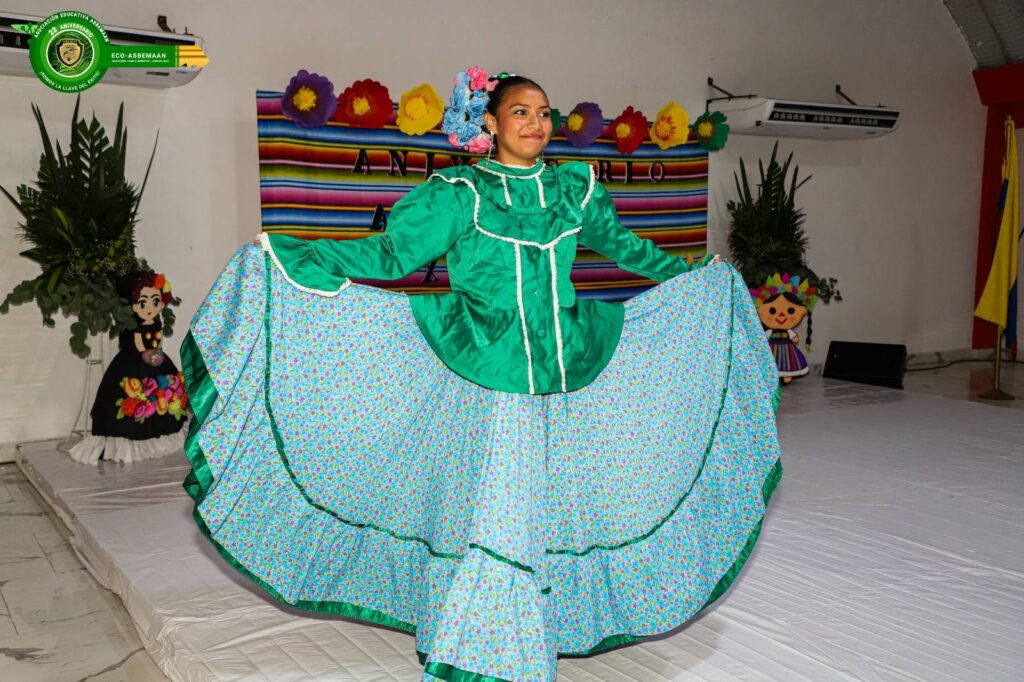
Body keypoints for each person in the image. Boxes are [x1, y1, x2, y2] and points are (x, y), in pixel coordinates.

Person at [183, 70, 781, 681]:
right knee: (499, 509)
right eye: (521, 112)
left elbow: (630, 251)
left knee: (553, 505)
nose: (536, 123)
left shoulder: (573, 189)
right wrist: (300, 253)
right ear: (490, 122)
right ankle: (487, 649)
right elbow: (391, 254)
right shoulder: (460, 192)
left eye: (544, 113)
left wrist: (694, 275)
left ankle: (532, 626)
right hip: (483, 372)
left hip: (564, 373)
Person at [70, 272, 189, 464]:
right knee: (131, 396)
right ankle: (128, 440)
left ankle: (161, 432)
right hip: (135, 364)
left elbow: (157, 343)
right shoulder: (132, 327)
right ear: (132, 305)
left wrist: (156, 355)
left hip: (157, 360)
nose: (149, 307)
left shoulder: (157, 324)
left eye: (155, 301)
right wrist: (151, 356)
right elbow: (140, 347)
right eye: (143, 302)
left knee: (164, 393)